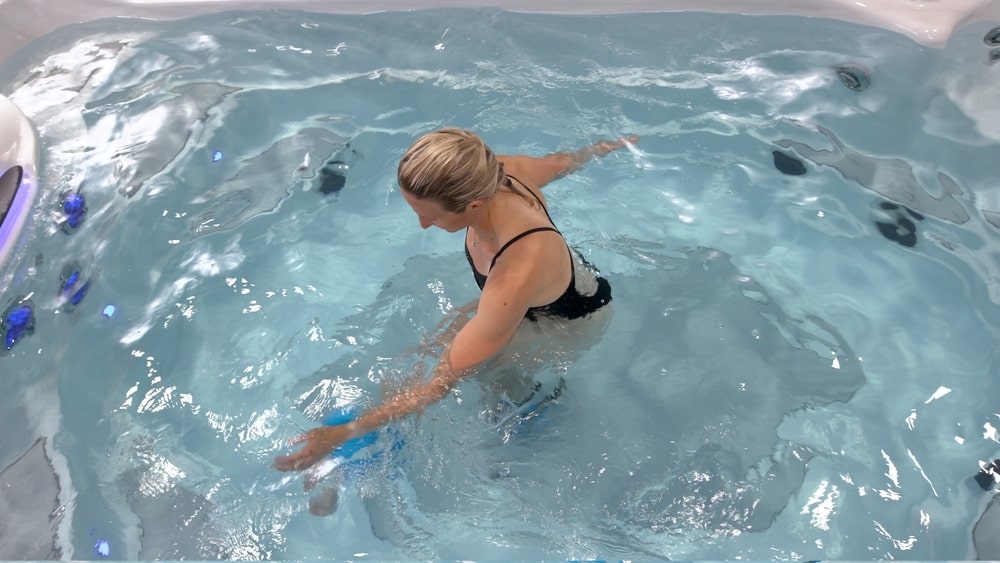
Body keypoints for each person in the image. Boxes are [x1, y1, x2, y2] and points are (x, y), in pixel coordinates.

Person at [274, 128, 637, 473]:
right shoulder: (492, 173)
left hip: (569, 322)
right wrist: (610, 146)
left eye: (429, 215)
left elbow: (441, 384)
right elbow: (562, 163)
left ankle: (537, 410)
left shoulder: (515, 270)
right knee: (434, 342)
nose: (422, 224)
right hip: (557, 285)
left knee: (484, 374)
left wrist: (348, 432)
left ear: (473, 205)